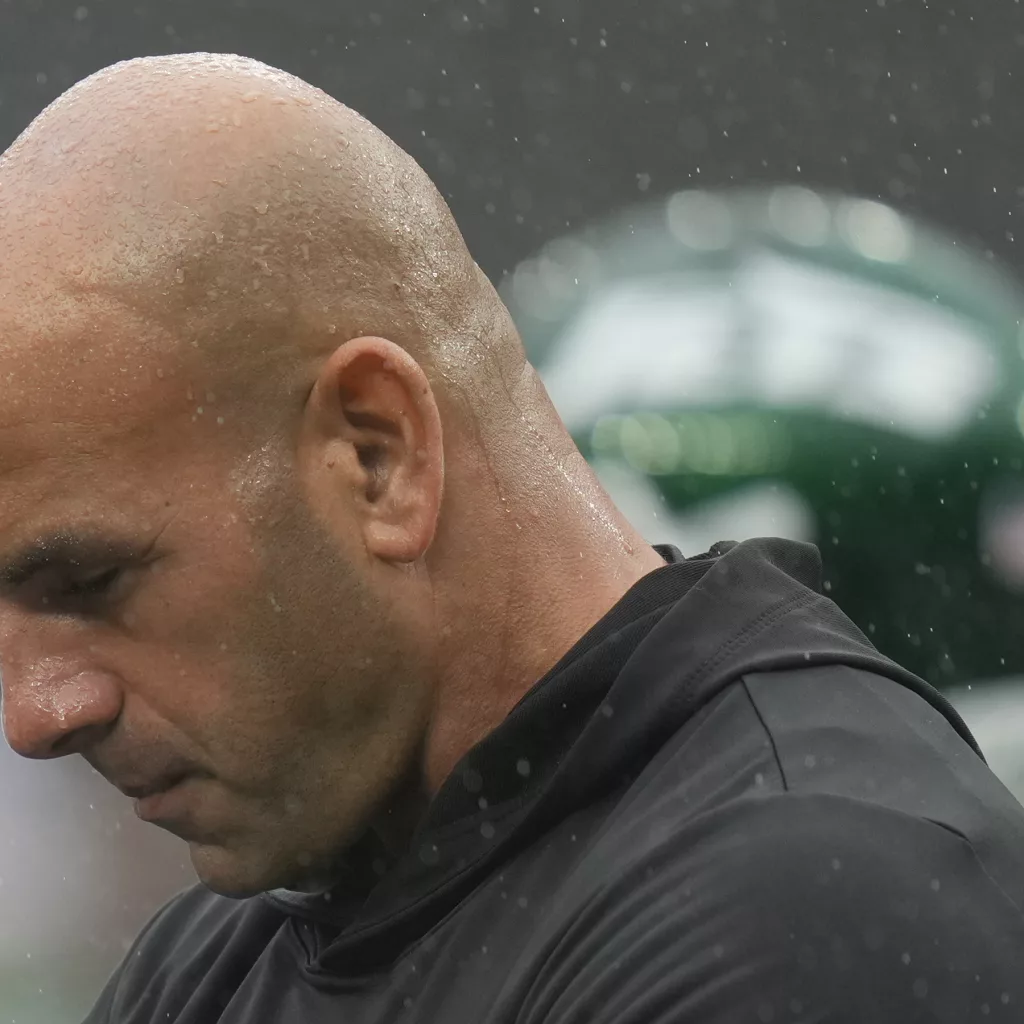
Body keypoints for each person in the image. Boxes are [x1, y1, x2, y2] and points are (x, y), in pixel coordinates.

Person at [0, 54, 1021, 1024]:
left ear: (375, 453)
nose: (33, 717)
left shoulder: (796, 913)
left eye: (88, 580)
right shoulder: (227, 947)